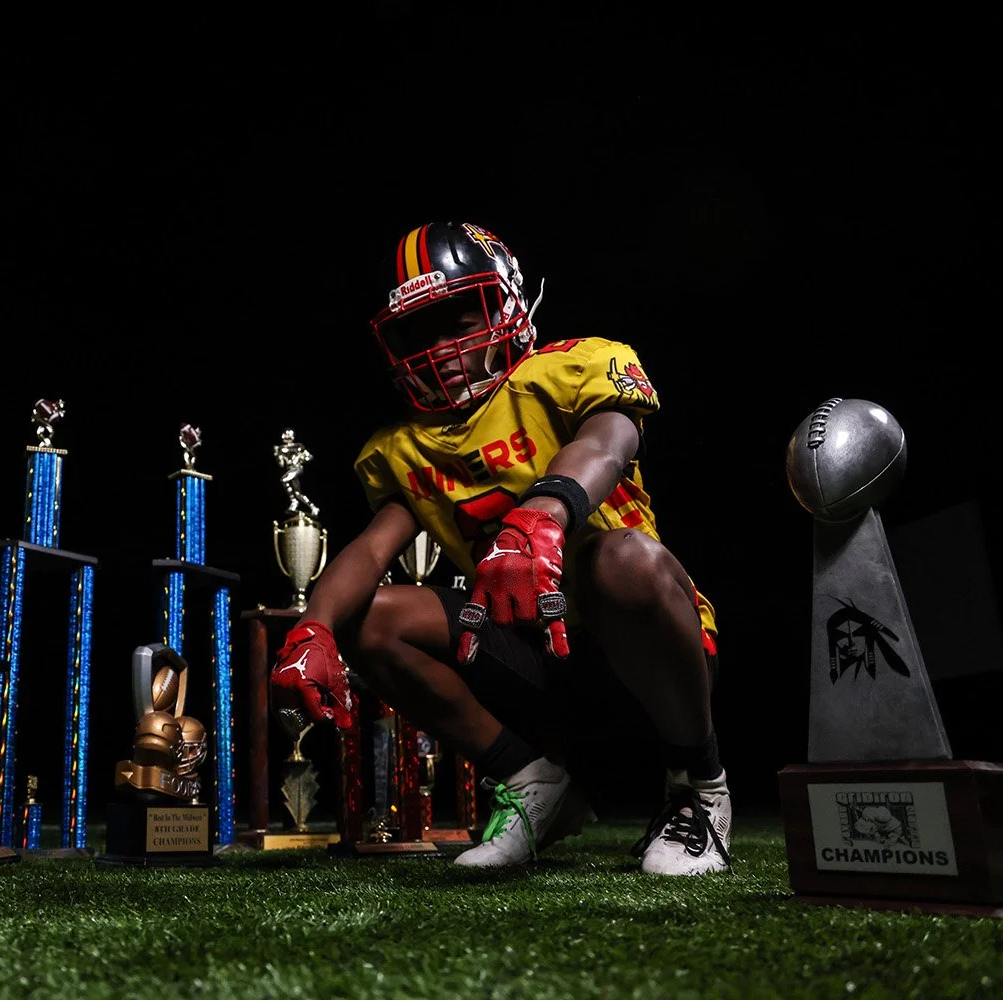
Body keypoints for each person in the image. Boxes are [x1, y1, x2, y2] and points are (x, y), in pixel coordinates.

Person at [269, 221, 730, 875]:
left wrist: (540, 516)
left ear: (509, 303)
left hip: (642, 636)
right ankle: (537, 784)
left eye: (458, 319)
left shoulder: (572, 366)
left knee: (622, 559)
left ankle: (700, 784)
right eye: (420, 332)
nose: (441, 348)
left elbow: (609, 442)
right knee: (366, 617)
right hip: (532, 652)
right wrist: (313, 628)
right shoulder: (406, 445)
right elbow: (372, 551)